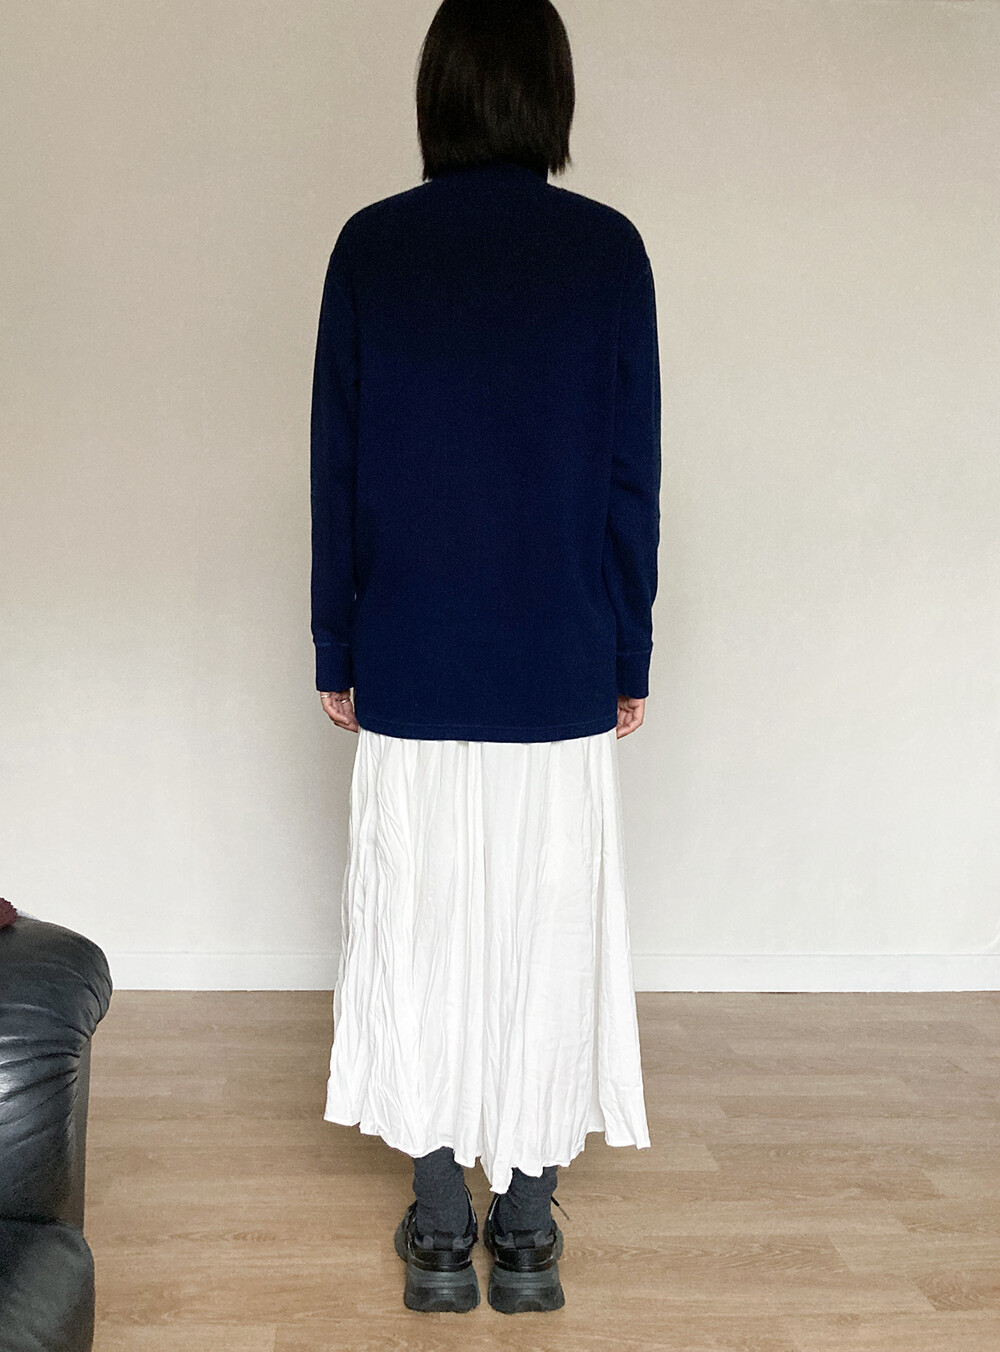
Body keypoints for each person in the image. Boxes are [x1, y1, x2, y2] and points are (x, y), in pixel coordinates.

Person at [310, 0, 661, 1317]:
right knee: (541, 933)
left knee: (424, 934)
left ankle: (440, 1233)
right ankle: (527, 1238)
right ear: (551, 96)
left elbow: (337, 471)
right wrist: (628, 648)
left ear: (436, 94)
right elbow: (630, 480)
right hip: (558, 657)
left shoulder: (373, 247)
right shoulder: (607, 251)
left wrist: (338, 640)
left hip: (411, 652)